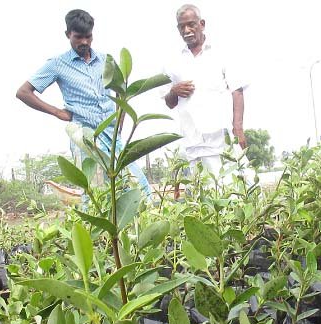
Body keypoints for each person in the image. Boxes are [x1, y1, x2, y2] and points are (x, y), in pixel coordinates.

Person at [16, 9, 152, 199]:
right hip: (85, 138)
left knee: (137, 187)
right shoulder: (57, 64)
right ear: (68, 35)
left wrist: (120, 123)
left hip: (112, 137)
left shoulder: (106, 61)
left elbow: (122, 91)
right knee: (95, 194)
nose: (84, 42)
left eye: (88, 37)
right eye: (78, 37)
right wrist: (57, 112)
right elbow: (23, 92)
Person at [162, 4, 249, 181]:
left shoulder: (221, 53)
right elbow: (170, 103)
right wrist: (174, 90)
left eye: (191, 24)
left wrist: (238, 128)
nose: (186, 30)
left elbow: (237, 91)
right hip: (193, 142)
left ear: (202, 24)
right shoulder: (173, 62)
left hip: (222, 139)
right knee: (206, 194)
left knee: (237, 187)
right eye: (181, 26)